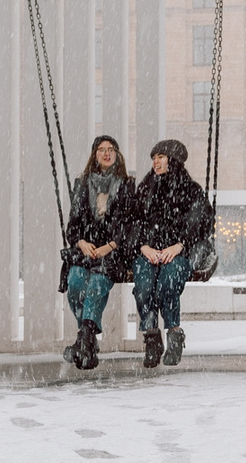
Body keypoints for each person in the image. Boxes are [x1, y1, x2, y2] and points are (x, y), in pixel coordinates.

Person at [132, 139, 211, 368]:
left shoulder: (191, 191)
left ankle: (174, 333)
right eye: (153, 158)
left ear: (173, 161)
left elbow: (200, 223)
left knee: (169, 281)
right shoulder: (145, 189)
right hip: (148, 252)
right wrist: (143, 246)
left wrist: (180, 245)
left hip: (178, 252)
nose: (155, 162)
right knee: (144, 287)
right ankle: (151, 337)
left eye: (160, 157)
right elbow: (134, 222)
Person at [63, 135, 136, 370]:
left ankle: (84, 342)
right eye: (102, 150)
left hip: (112, 251)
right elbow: (73, 225)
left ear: (117, 154)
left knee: (95, 286)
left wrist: (111, 246)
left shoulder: (126, 185)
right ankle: (88, 339)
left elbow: (128, 224)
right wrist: (81, 242)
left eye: (111, 149)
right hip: (86, 250)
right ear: (95, 155)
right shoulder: (82, 184)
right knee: (74, 283)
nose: (107, 153)